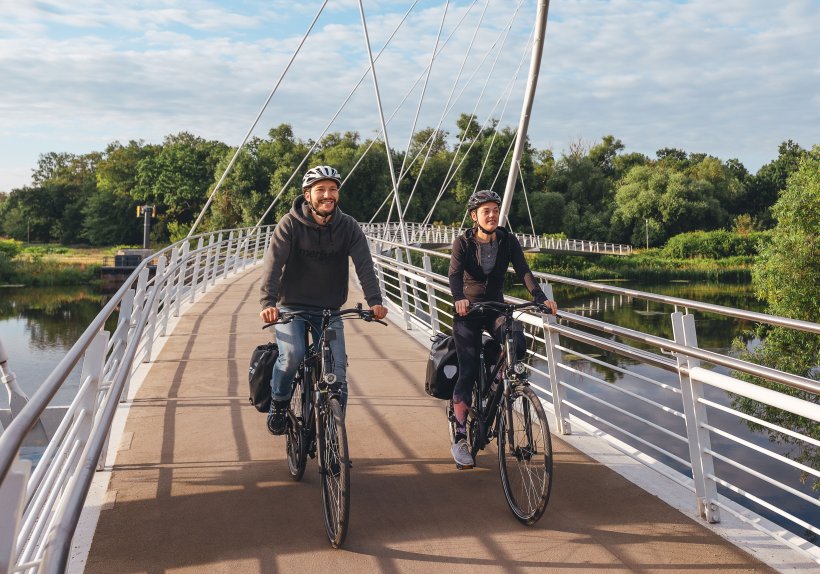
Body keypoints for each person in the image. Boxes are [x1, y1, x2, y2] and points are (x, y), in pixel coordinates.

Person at [259, 165, 388, 435]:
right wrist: (268, 303)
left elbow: (364, 264)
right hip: (291, 307)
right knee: (292, 355)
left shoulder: (348, 226)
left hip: (329, 309)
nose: (328, 195)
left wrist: (375, 301)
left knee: (337, 376)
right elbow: (273, 264)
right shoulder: (290, 224)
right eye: (321, 190)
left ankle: (332, 440)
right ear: (308, 195)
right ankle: (279, 403)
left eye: (333, 189)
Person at [447, 189, 558, 467]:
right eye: (486, 210)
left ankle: (498, 382)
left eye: (495, 210)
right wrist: (459, 298)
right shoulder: (462, 242)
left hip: (496, 307)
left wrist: (540, 297)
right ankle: (461, 438)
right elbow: (454, 274)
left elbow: (523, 271)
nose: (492, 214)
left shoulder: (508, 240)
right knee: (468, 368)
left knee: (516, 342)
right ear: (475, 216)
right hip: (469, 311)